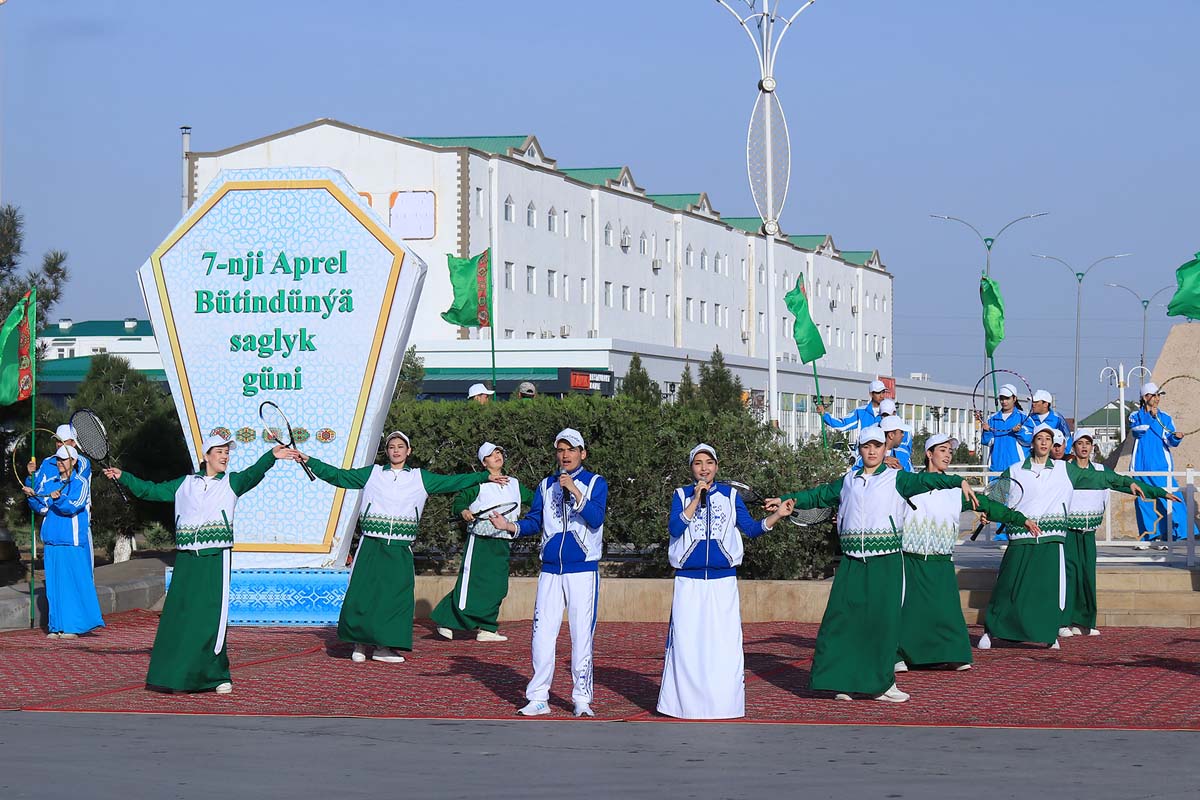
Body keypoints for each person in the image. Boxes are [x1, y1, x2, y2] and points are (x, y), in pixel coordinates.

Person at [769, 426, 982, 703]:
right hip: (852, 563)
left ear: (885, 449)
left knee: (883, 624)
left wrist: (956, 482)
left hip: (886, 562)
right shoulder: (848, 481)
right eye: (866, 446)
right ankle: (841, 682)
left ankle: (883, 684)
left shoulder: (897, 479)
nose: (872, 451)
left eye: (877, 446)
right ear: (860, 449)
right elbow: (819, 495)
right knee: (842, 623)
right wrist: (789, 500)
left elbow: (928, 482)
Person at [105, 435, 293, 693]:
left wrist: (271, 456)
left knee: (210, 617)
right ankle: (173, 674)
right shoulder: (184, 484)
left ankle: (217, 675)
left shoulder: (232, 482)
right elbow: (149, 490)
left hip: (215, 557)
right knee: (180, 615)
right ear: (206, 456)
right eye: (219, 451)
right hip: (186, 558)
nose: (225, 456)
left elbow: (254, 473)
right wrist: (123, 476)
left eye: (227, 452)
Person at [295, 431, 502, 664]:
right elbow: (339, 476)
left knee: (396, 597)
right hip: (372, 542)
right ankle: (360, 644)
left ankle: (384, 647)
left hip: (400, 546)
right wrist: (308, 459)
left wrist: (484, 477)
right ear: (387, 451)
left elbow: (452, 482)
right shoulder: (372, 473)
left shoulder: (419, 477)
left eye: (400, 446)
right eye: (392, 446)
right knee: (363, 594)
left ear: (408, 451)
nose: (396, 450)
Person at [978, 424, 1173, 650]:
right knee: (1008, 586)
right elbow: (993, 497)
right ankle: (992, 631)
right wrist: (987, 513)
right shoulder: (1014, 470)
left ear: (1052, 445)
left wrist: (1143, 488)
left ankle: (1047, 634)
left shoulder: (1065, 470)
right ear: (1032, 442)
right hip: (1021, 538)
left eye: (1047, 439)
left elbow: (1107, 479)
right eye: (1039, 438)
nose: (1043, 443)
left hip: (1051, 540)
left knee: (1047, 592)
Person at [657, 444, 795, 720]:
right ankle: (683, 707)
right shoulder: (681, 495)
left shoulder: (731, 496)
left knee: (724, 645)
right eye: (698, 463)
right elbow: (674, 528)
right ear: (691, 468)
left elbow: (752, 529)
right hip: (688, 581)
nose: (704, 468)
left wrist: (778, 516)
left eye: (709, 462)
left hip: (723, 583)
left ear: (716, 466)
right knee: (686, 644)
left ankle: (724, 706)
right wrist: (695, 500)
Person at [488, 428, 608, 717]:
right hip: (551, 570)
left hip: (583, 571)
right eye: (560, 449)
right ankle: (538, 697)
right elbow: (534, 522)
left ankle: (581, 699)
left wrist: (575, 491)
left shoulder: (595, 483)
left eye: (571, 449)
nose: (565, 455)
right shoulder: (546, 485)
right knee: (542, 634)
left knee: (581, 636)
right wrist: (510, 527)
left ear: (583, 453)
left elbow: (595, 518)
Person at [895, 435, 1034, 672]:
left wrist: (1021, 519)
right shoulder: (908, 484)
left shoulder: (956, 491)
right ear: (929, 454)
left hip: (941, 559)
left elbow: (988, 505)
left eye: (950, 451)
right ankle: (899, 656)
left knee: (946, 612)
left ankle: (953, 654)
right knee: (909, 612)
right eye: (942, 450)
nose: (948, 455)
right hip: (911, 559)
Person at [432, 442, 532, 642]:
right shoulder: (478, 484)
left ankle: (487, 628)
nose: (497, 456)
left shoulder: (514, 484)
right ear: (484, 462)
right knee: (471, 583)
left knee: (497, 585)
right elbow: (460, 501)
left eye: (499, 452)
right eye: (491, 454)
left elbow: (536, 499)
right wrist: (464, 511)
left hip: (503, 540)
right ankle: (446, 620)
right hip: (479, 540)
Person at [26, 445, 103, 639]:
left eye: (64, 459)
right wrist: (31, 491)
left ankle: (74, 626)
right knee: (54, 587)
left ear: (74, 461)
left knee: (73, 584)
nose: (60, 463)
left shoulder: (80, 483)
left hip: (71, 541)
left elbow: (72, 506)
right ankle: (56, 626)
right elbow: (41, 506)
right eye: (58, 460)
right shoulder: (51, 482)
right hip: (52, 542)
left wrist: (58, 500)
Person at [1128, 382, 1191, 544]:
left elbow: (1170, 441)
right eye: (1154, 395)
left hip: (1161, 467)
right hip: (1140, 467)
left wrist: (1176, 438)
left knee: (1172, 498)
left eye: (1158, 395)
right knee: (1144, 501)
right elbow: (1137, 431)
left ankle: (1183, 531)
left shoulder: (1166, 418)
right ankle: (1150, 536)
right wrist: (1150, 416)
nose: (1157, 399)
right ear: (1145, 397)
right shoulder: (1135, 415)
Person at [1061, 429, 1106, 637]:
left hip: (1089, 532)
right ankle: (1065, 621)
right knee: (1070, 574)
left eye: (1088, 443)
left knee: (1088, 574)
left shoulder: (1099, 470)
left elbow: (1104, 497)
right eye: (1080, 443)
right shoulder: (1064, 470)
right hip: (1069, 530)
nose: (1084, 447)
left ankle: (1086, 621)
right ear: (1074, 447)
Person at [978, 384, 1028, 473]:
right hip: (996, 468)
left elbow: (1029, 441)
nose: (1004, 401)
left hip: (1018, 468)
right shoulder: (992, 418)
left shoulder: (1024, 417)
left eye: (1007, 398)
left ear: (1014, 398)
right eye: (1001, 398)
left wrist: (1019, 431)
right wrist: (987, 431)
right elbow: (988, 442)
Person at [853, 403, 912, 472]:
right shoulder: (867, 455)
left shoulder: (902, 455)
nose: (903, 435)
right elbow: (854, 475)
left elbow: (913, 479)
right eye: (901, 432)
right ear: (891, 435)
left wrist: (901, 470)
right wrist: (879, 462)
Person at [818, 379, 886, 436]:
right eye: (878, 392)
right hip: (864, 450)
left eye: (883, 392)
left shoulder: (889, 412)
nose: (881, 396)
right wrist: (824, 415)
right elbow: (842, 425)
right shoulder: (860, 412)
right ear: (871, 394)